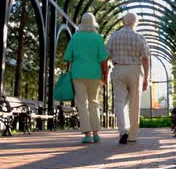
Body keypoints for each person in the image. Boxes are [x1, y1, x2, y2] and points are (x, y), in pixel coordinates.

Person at [105, 12, 150, 144]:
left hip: (118, 68)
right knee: (134, 103)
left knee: (119, 102)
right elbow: (146, 60)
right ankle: (132, 135)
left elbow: (105, 56)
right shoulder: (139, 37)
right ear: (136, 23)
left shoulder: (114, 36)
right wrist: (146, 77)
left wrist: (105, 73)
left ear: (124, 21)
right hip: (135, 70)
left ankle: (122, 131)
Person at [64, 13, 108, 143]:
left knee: (82, 104)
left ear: (81, 24)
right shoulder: (98, 38)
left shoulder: (75, 37)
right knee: (93, 102)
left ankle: (87, 135)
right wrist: (104, 75)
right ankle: (96, 133)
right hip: (95, 74)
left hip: (78, 74)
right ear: (94, 24)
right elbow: (103, 58)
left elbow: (67, 56)